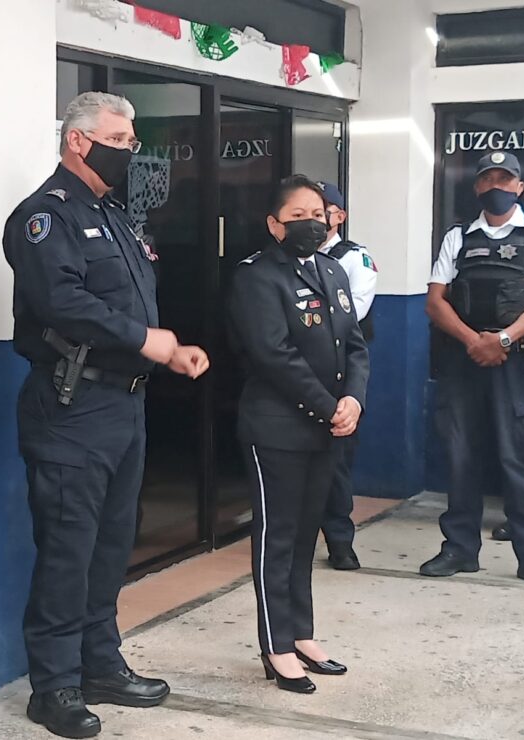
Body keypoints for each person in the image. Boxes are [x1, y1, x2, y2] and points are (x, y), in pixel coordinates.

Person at [3, 91, 209, 739]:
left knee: (112, 544)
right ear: (78, 141)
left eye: (131, 141)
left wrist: (159, 350)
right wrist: (146, 340)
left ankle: (99, 663)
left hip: (124, 404)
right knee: (69, 548)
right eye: (119, 139)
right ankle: (55, 685)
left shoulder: (114, 216)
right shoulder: (45, 217)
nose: (129, 151)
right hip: (72, 406)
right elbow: (60, 300)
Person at [229, 175, 369, 694]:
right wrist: (331, 406)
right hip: (278, 428)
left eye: (319, 213)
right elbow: (273, 354)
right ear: (274, 225)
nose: (312, 223)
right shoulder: (257, 277)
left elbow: (354, 344)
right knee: (276, 536)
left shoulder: (332, 271)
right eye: (298, 217)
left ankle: (302, 633)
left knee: (307, 532)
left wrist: (353, 399)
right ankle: (275, 644)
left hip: (328, 427)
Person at [422, 150, 524, 581]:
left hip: (516, 364)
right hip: (465, 362)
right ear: (477, 187)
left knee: (516, 459)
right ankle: (460, 549)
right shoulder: (458, 237)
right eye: (488, 180)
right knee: (461, 457)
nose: (497, 188)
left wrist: (502, 339)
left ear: (519, 188)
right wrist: (474, 342)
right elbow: (435, 301)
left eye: (505, 181)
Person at [316, 182, 378, 570]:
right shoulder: (282, 259)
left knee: (337, 459)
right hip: (296, 365)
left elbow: (351, 314)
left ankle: (340, 541)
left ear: (340, 216)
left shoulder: (355, 259)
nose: (316, 216)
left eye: (324, 209)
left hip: (338, 370)